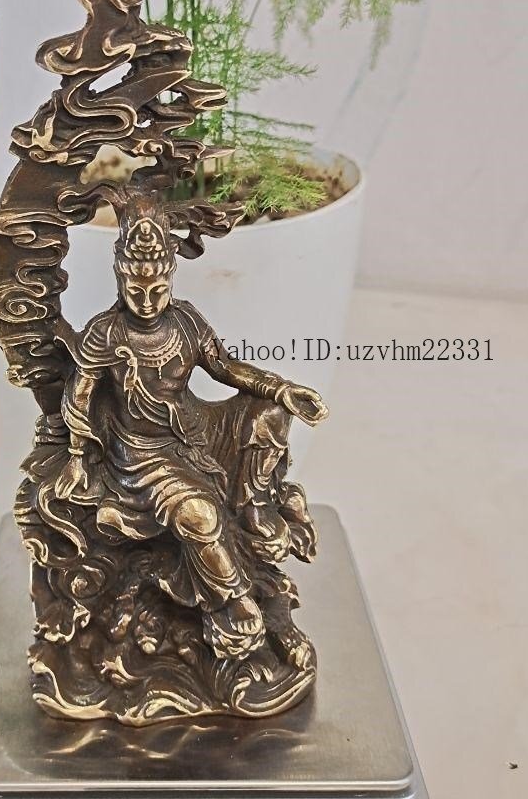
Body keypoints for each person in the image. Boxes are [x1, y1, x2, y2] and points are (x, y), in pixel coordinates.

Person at [55, 195, 328, 659]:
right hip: (143, 454)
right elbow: (78, 397)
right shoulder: (107, 332)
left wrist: (283, 389)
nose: (146, 301)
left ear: (170, 278)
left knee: (269, 414)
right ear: (120, 277)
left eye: (157, 290)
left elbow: (226, 368)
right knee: (199, 515)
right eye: (136, 290)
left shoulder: (184, 322)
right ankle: (231, 599)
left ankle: (254, 507)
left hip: (197, 429)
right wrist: (79, 458)